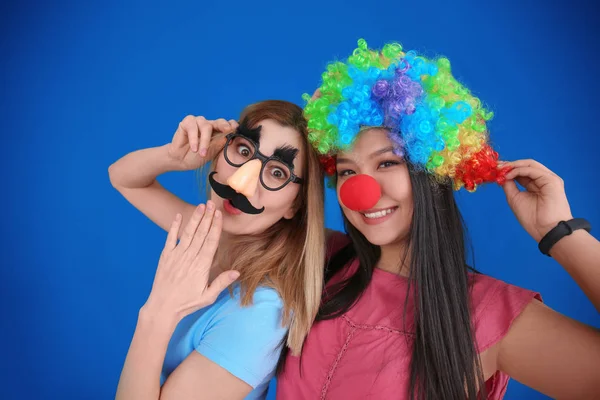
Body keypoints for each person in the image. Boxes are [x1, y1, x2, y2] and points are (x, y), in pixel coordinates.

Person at [276, 39, 600, 399]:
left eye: (387, 163)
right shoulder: (322, 262)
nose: (361, 190)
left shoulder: (487, 313)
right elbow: (217, 235)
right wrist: (215, 154)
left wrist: (560, 233)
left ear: (430, 172)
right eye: (348, 171)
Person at [108, 100, 325, 399]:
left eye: (277, 173)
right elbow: (123, 178)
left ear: (296, 205)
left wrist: (157, 314)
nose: (241, 184)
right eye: (244, 151)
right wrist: (177, 156)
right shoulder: (205, 234)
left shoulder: (259, 313)